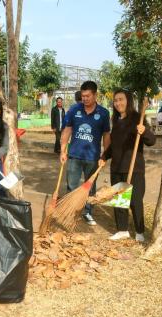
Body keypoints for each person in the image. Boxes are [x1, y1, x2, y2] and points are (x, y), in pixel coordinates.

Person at [99, 89, 155, 241]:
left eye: (121, 99)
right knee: (119, 201)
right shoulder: (116, 121)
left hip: (134, 167)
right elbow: (114, 145)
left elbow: (151, 141)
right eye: (115, 100)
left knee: (136, 201)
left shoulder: (138, 118)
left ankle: (139, 231)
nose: (118, 103)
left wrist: (144, 132)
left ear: (128, 101)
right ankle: (122, 229)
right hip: (117, 167)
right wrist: (104, 156)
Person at [60, 81, 110, 226]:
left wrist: (105, 155)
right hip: (74, 155)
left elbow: (106, 135)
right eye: (83, 96)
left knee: (90, 187)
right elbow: (67, 130)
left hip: (93, 158)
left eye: (88, 96)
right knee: (72, 185)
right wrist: (63, 150)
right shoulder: (74, 110)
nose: (85, 99)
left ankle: (87, 212)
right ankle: (70, 212)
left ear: (95, 95)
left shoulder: (103, 113)